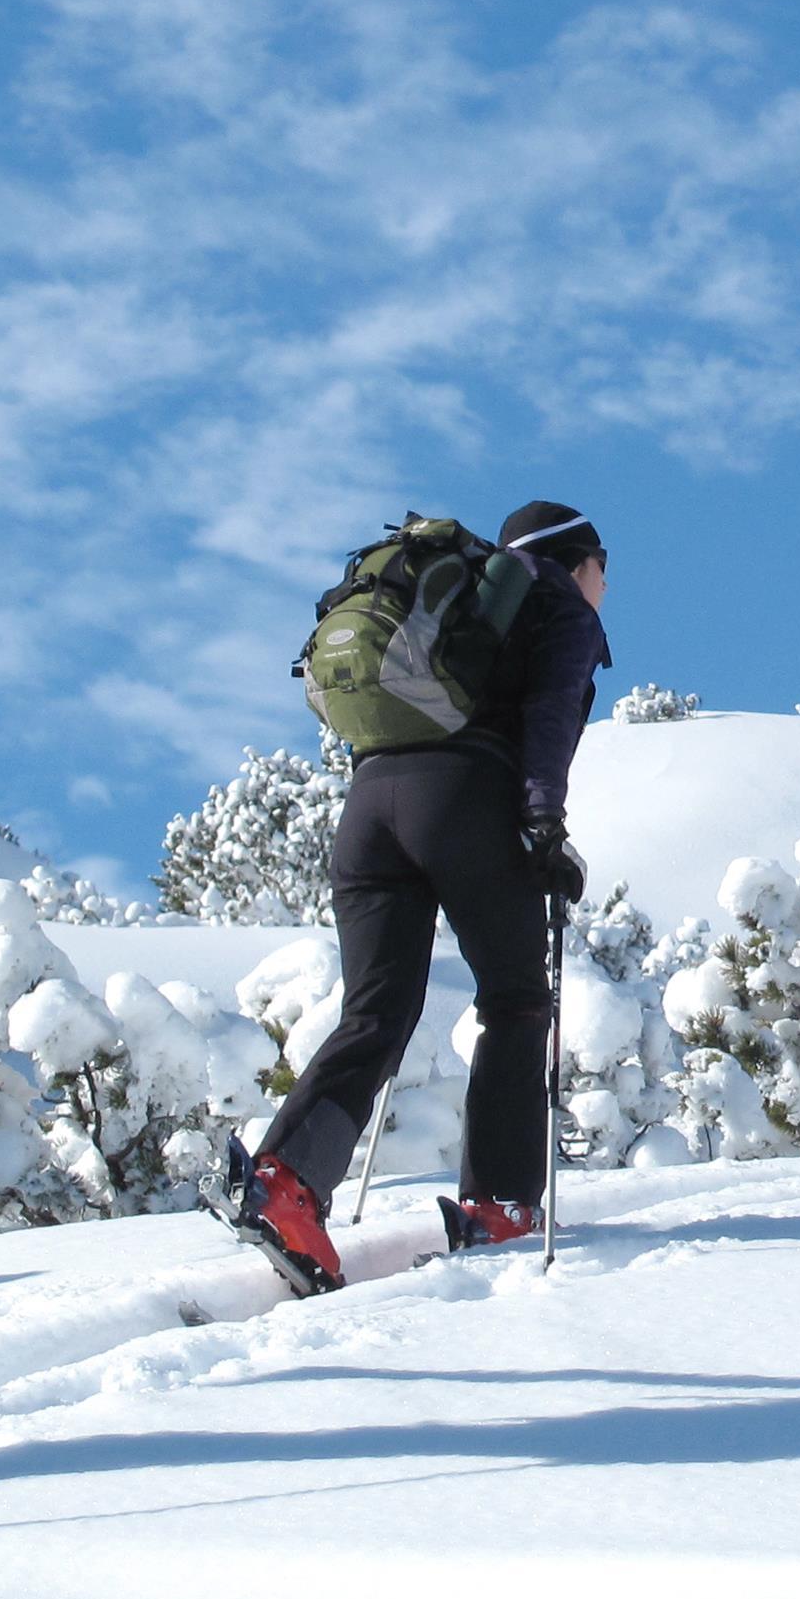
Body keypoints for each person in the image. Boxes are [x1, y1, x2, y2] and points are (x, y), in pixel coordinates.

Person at [222, 500, 607, 1289]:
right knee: (516, 1001)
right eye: (605, 566)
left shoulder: (462, 599)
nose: (607, 583)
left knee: (377, 1010)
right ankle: (500, 1202)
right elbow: (549, 713)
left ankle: (288, 1184)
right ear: (579, 561)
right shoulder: (556, 604)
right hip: (466, 800)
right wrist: (542, 820)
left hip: (368, 808)